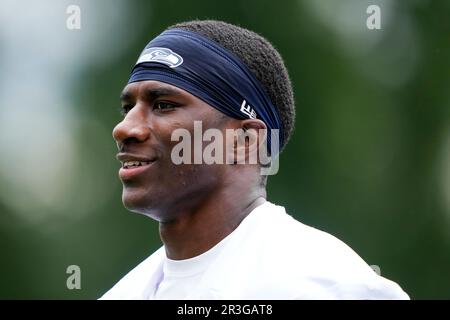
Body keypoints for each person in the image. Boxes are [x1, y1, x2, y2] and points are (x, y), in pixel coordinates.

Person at [101, 20, 409, 299]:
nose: (125, 128)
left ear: (244, 140)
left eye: (164, 105)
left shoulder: (324, 287)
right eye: (128, 108)